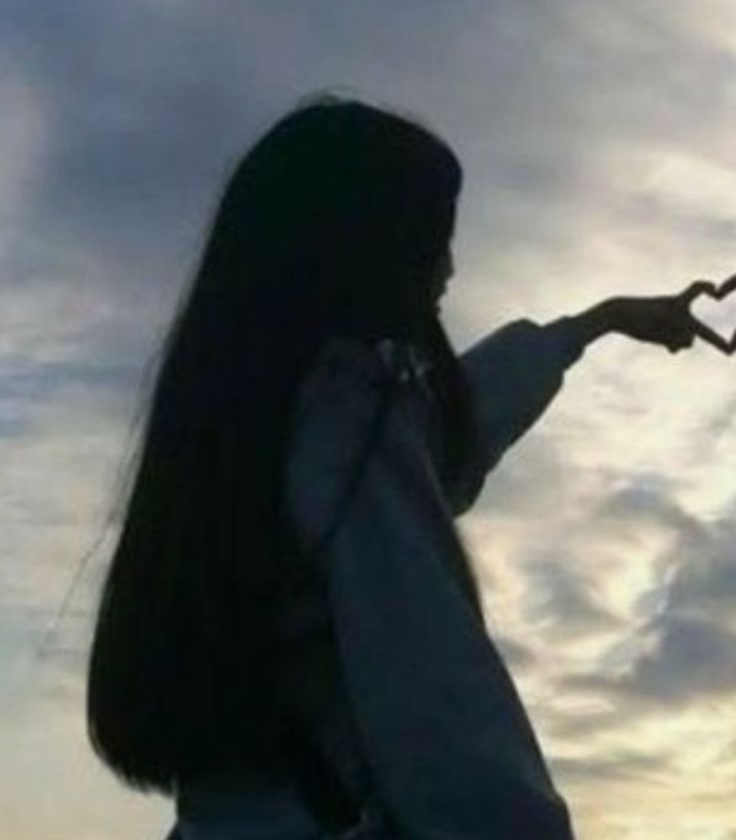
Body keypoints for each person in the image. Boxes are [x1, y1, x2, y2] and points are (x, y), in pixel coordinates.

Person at [85, 94, 732, 840]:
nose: (450, 268)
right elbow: (442, 715)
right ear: (369, 246)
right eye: (435, 240)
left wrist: (596, 324)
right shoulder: (349, 430)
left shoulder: (245, 417)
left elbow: (438, 436)